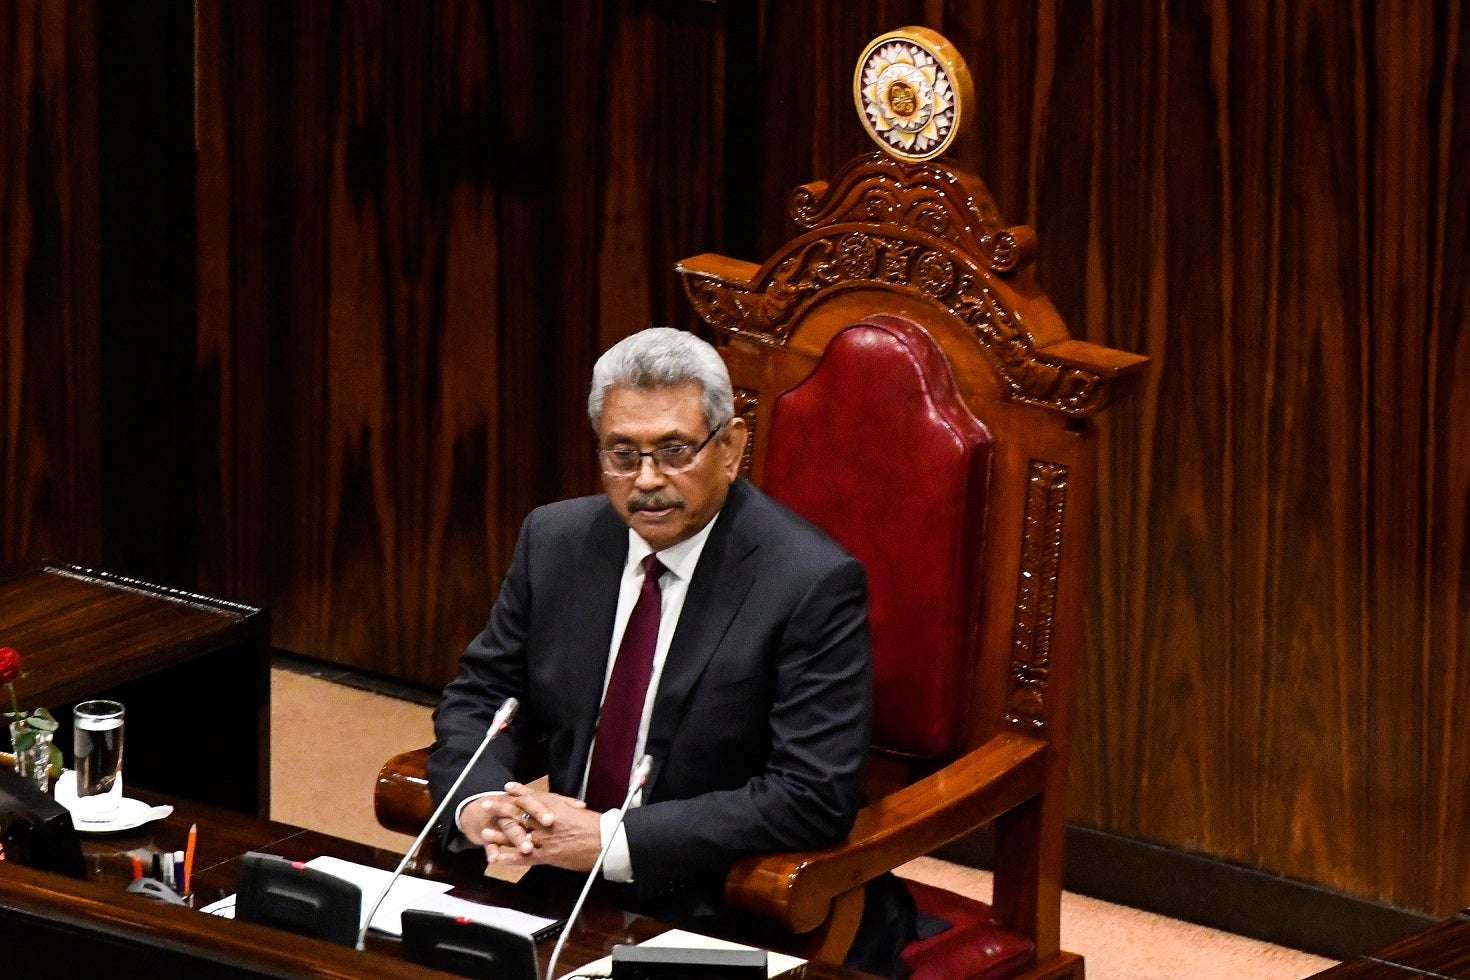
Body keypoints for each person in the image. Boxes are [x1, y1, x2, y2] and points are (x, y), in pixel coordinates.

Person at [428, 326, 914, 975]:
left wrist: (612, 841)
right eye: (622, 454)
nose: (648, 480)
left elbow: (811, 792)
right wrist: (480, 803)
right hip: (560, 887)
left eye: (675, 450)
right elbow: (486, 697)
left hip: (730, 900)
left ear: (731, 447)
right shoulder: (555, 540)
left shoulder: (809, 582)